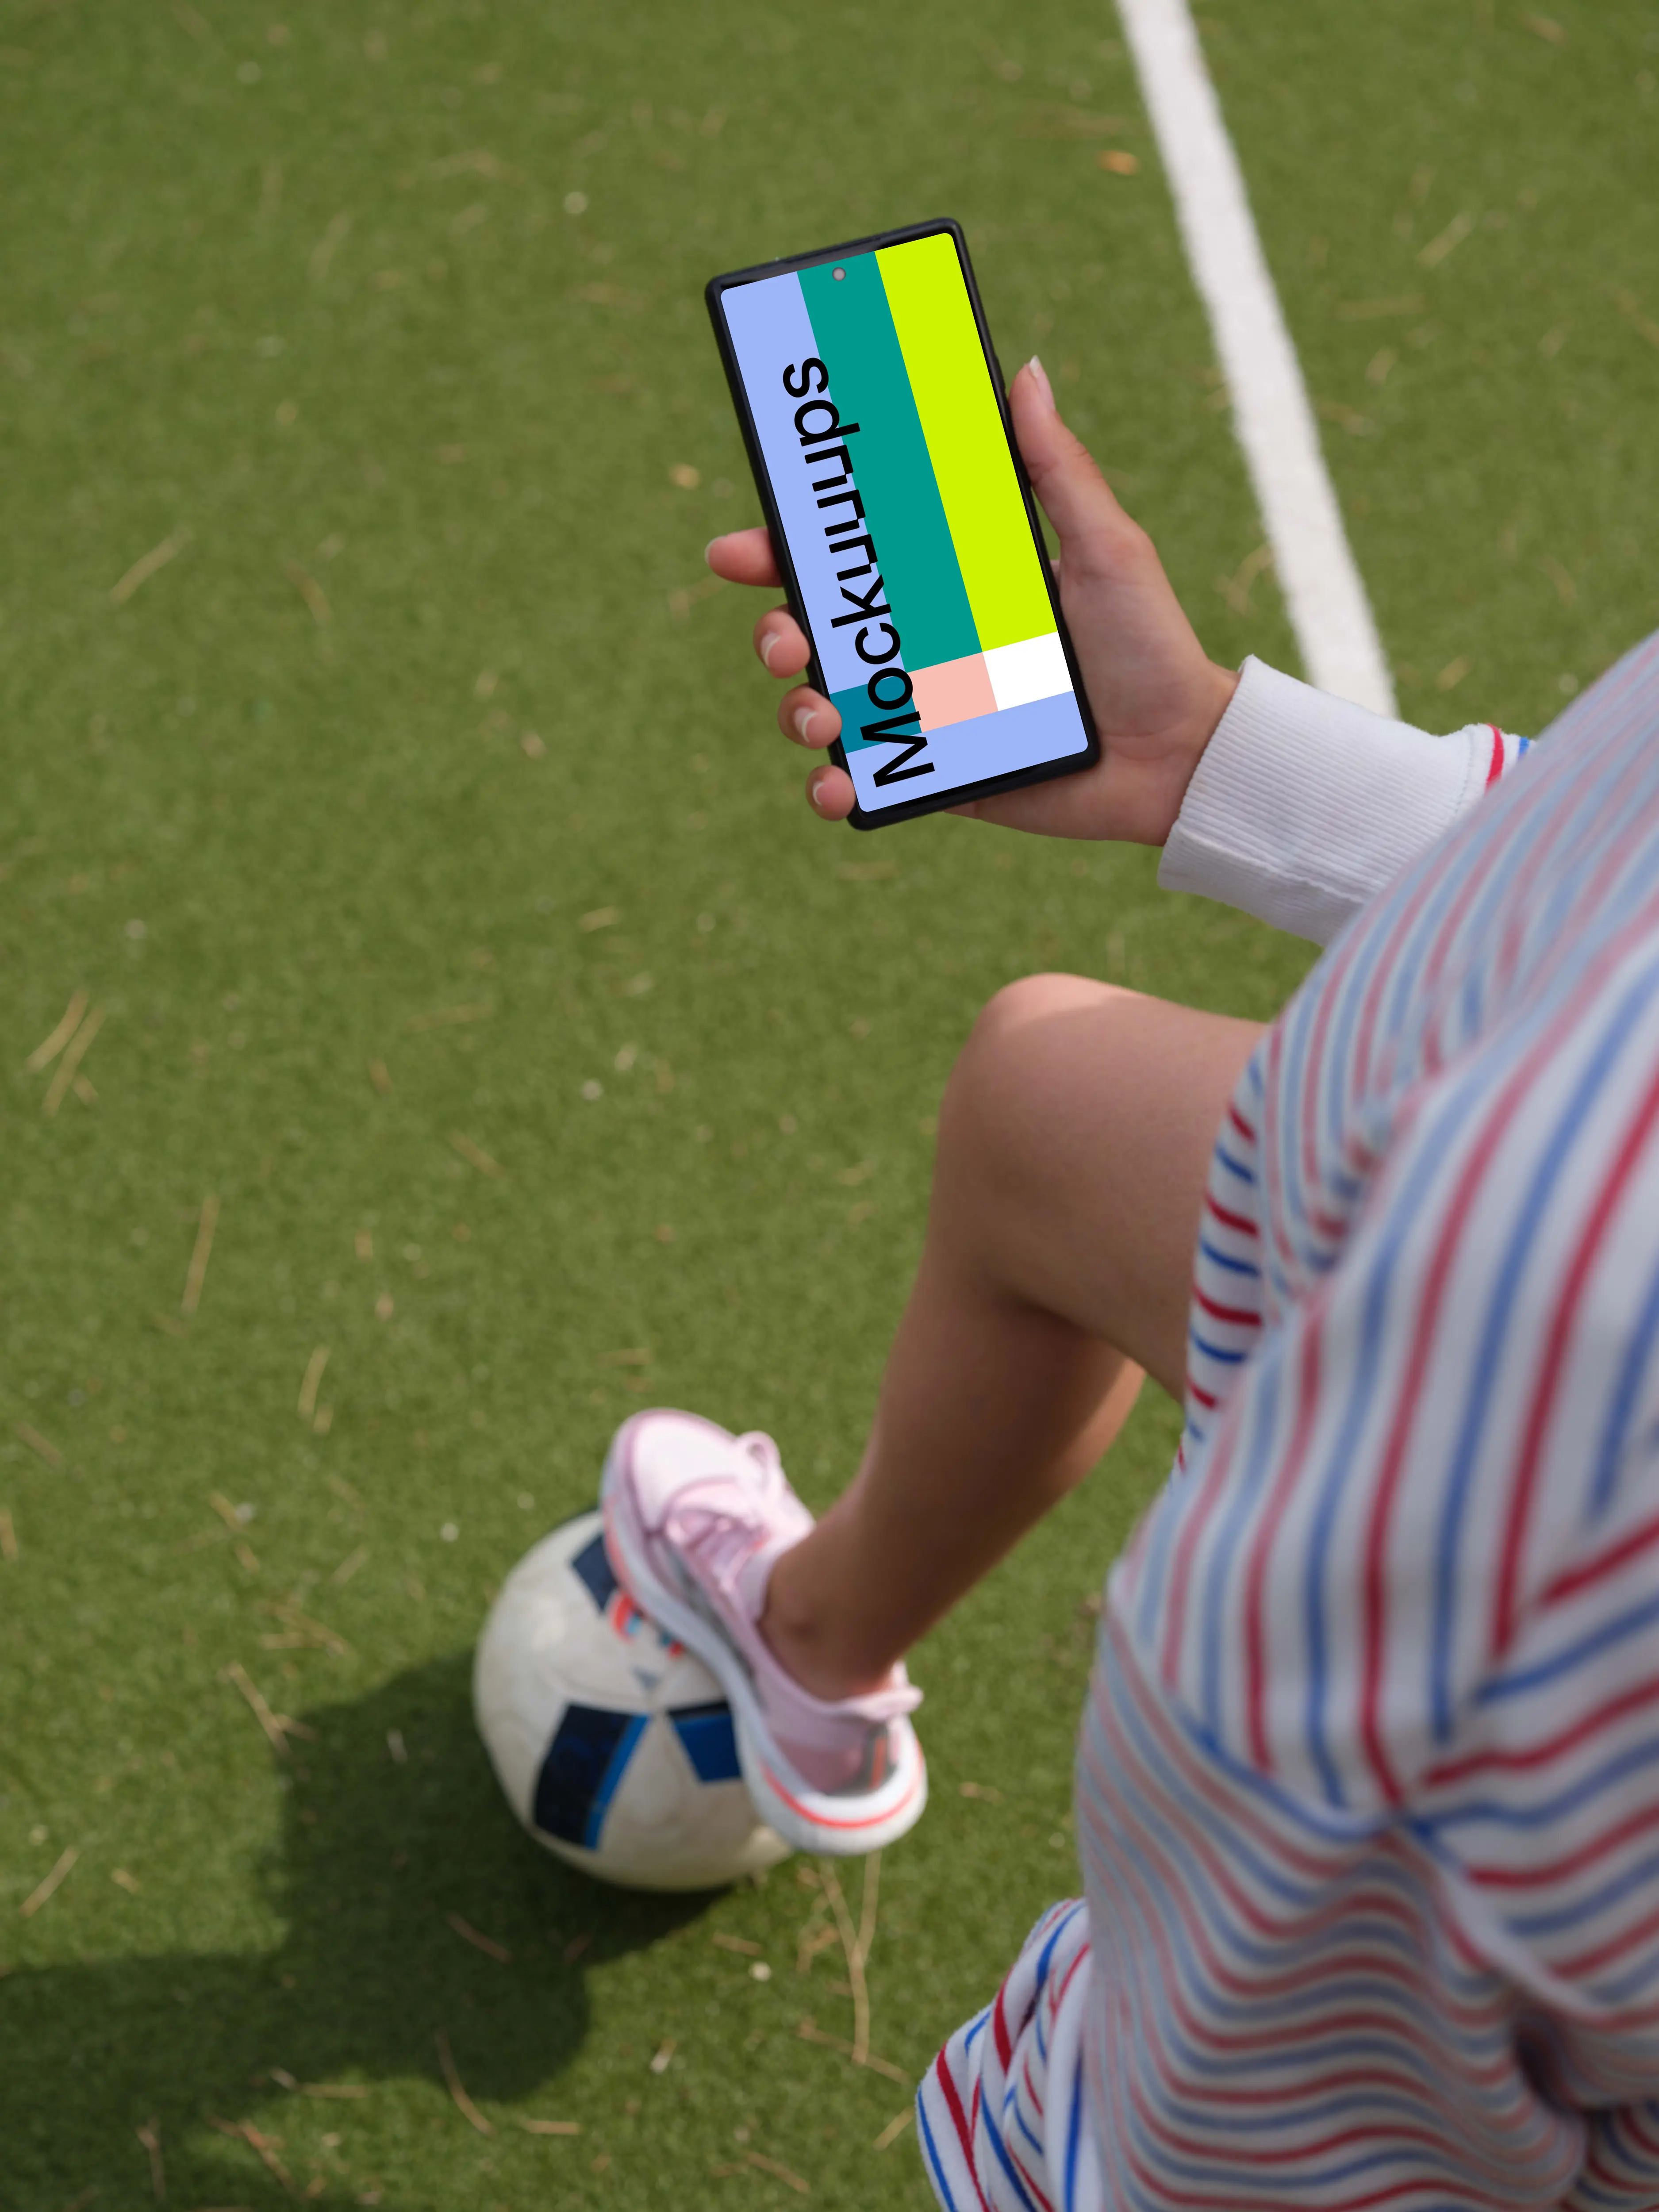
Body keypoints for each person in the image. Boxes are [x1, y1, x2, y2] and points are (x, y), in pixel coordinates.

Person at [601, 356, 1659, 2210]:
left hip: (1500, 1437)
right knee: (1045, 1100)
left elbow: (1276, 2093)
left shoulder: (1524, 1419)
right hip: (1429, 1249)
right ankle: (806, 1647)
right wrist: (1210, 758)